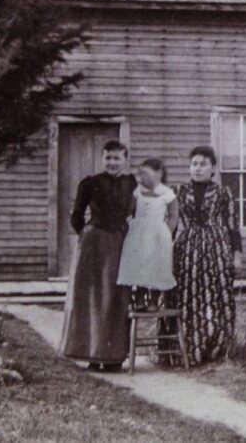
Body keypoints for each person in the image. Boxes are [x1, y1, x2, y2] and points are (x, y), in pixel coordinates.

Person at [159, 146, 242, 366]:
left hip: (216, 249)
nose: (197, 168)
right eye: (194, 164)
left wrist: (237, 255)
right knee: (185, 297)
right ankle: (182, 350)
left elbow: (233, 227)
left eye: (203, 164)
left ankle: (216, 351)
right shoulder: (177, 192)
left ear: (213, 168)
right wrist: (163, 251)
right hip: (185, 251)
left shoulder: (224, 193)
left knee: (216, 298)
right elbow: (171, 226)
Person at [60, 140, 137, 372]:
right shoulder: (90, 183)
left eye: (117, 158)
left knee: (116, 296)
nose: (112, 162)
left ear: (125, 159)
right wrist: (87, 235)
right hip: (93, 245)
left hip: (121, 243)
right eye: (108, 158)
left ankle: (114, 358)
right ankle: (92, 355)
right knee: (92, 298)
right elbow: (76, 215)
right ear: (102, 159)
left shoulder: (133, 184)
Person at [117, 158, 179, 309]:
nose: (141, 177)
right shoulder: (138, 192)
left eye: (145, 174)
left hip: (158, 236)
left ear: (159, 173)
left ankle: (153, 301)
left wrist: (166, 233)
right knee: (140, 265)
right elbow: (129, 211)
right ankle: (139, 299)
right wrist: (132, 224)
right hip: (139, 236)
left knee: (156, 266)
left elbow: (173, 216)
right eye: (140, 174)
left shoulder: (167, 193)